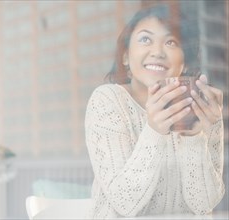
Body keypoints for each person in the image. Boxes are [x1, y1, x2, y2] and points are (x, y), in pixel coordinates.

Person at [84, 4, 225, 219]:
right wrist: (154, 131)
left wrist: (195, 135)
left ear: (184, 61)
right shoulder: (108, 101)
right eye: (145, 39)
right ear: (125, 57)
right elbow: (125, 204)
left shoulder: (202, 108)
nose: (158, 52)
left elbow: (203, 205)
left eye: (171, 42)